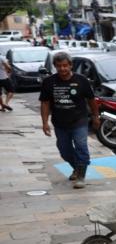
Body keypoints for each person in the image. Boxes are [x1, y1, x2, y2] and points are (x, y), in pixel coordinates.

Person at [39, 52, 99, 188]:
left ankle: (81, 176)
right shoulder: (49, 82)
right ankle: (76, 168)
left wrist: (96, 117)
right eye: (59, 66)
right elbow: (45, 103)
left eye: (65, 66)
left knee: (81, 145)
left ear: (70, 65)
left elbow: (91, 100)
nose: (62, 69)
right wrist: (44, 123)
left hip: (79, 120)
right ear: (55, 66)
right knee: (64, 150)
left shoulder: (81, 80)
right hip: (60, 122)